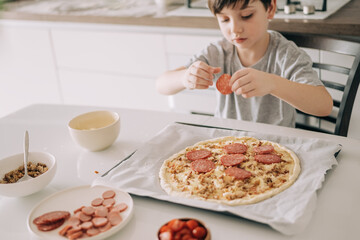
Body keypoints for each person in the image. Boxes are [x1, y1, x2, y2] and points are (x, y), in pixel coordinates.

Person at [156, 0, 333, 127]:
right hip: (225, 143)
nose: (234, 29)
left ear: (270, 8)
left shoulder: (286, 54)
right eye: (225, 19)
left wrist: (273, 83)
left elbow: (323, 105)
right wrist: (185, 78)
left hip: (277, 147)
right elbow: (161, 85)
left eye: (246, 16)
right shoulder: (216, 52)